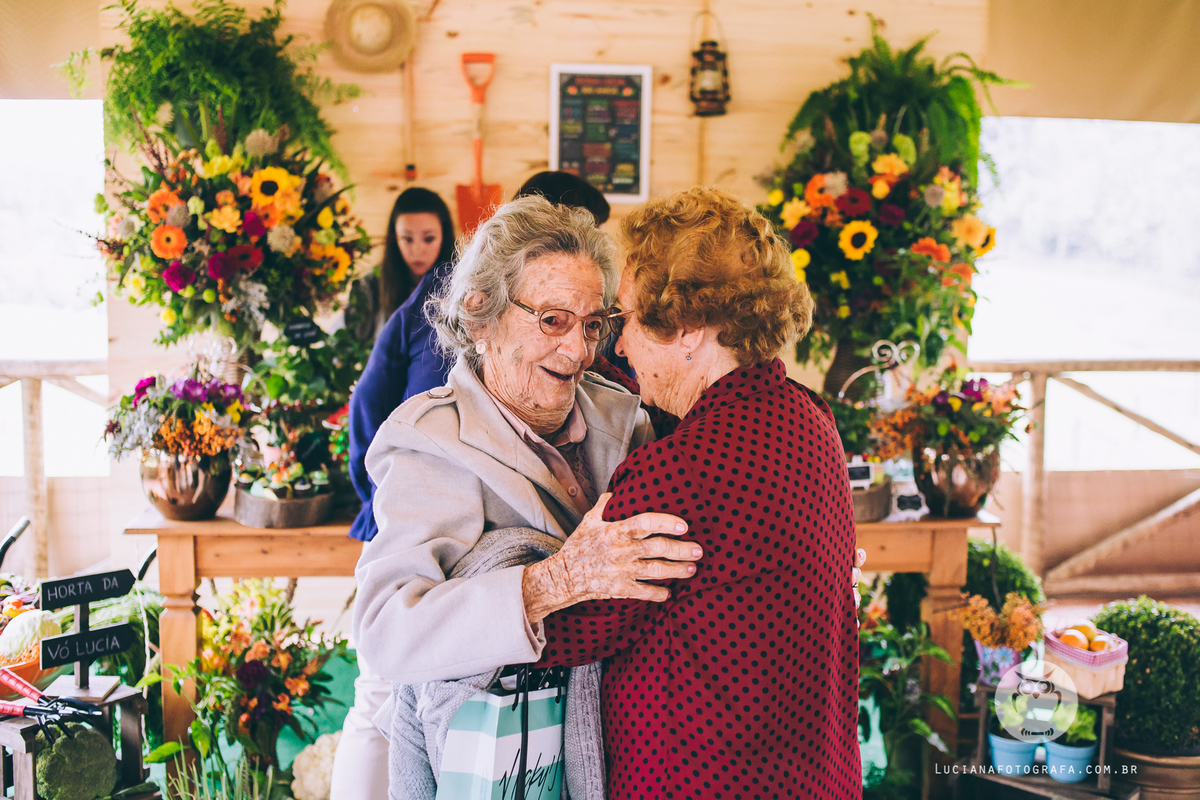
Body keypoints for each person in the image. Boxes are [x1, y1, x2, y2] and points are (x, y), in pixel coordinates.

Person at [344, 194, 695, 799]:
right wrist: (552, 583)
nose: (579, 351)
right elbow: (384, 631)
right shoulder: (430, 442)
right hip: (494, 763)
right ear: (480, 315)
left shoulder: (625, 417)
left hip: (623, 754)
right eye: (552, 320)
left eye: (593, 325)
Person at [527, 187, 863, 799]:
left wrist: (540, 567)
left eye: (625, 319)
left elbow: (557, 635)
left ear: (684, 327)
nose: (619, 346)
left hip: (706, 779)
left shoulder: (679, 473)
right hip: (816, 774)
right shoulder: (810, 419)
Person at [334, 186, 456, 799]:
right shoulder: (414, 308)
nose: (416, 249)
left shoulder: (469, 305)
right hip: (402, 517)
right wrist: (376, 496)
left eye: (428, 237)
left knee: (413, 699)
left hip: (457, 530)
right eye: (406, 237)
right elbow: (365, 404)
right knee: (379, 688)